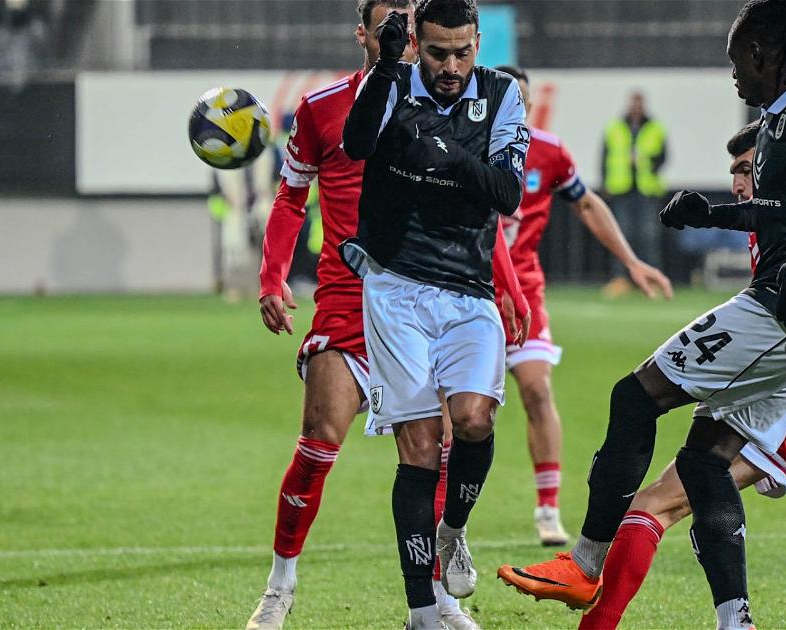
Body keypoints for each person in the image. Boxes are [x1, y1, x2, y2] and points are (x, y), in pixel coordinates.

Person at [498, 1, 786, 627]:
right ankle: (734, 620)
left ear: (763, 53)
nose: (735, 77)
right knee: (703, 459)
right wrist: (711, 214)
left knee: (635, 397)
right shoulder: (782, 118)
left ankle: (584, 564)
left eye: (738, 62)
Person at [245, 2, 525, 629]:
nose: (401, 39)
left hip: (440, 287)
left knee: (443, 443)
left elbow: (475, 207)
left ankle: (440, 597)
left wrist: (506, 284)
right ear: (365, 34)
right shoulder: (326, 108)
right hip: (352, 293)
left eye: (408, 28)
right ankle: (280, 585)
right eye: (388, 28)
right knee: (320, 438)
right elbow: (291, 196)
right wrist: (272, 276)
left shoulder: (452, 97)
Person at [578, 123, 786, 630]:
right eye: (733, 172)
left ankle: (606, 616)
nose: (738, 184)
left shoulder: (778, 235)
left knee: (660, 502)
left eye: (748, 170)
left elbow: (771, 331)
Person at [341, 1, 530, 628]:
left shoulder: (501, 94)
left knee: (474, 419)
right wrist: (386, 68)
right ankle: (422, 611)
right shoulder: (393, 82)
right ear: (417, 44)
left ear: (478, 43)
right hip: (396, 286)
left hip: (469, 289)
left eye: (462, 53)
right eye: (437, 53)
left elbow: (508, 192)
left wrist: (448, 154)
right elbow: (356, 143)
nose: (450, 67)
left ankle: (453, 531)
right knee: (419, 446)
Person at [493, 64, 674, 546]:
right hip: (469, 293)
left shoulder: (547, 151)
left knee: (537, 389)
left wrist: (631, 262)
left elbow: (587, 204)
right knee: (463, 414)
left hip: (524, 292)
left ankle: (548, 509)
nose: (517, 110)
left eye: (522, 102)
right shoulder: (467, 146)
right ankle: (449, 520)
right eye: (508, 101)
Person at [599, 91, 669, 297]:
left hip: (647, 190)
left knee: (648, 236)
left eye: (639, 104)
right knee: (621, 235)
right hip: (621, 188)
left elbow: (663, 157)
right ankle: (620, 278)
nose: (636, 108)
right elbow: (604, 157)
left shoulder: (655, 128)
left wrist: (647, 164)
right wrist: (605, 182)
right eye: (634, 104)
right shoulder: (615, 127)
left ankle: (651, 279)